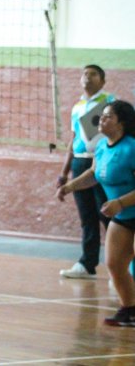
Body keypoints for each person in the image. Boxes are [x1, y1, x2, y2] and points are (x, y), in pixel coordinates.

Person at [57, 100, 135, 326]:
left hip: (124, 207)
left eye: (108, 116)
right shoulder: (102, 147)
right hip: (123, 217)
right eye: (102, 116)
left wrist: (119, 202)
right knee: (114, 264)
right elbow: (93, 173)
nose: (101, 119)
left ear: (122, 123)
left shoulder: (131, 148)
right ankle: (129, 310)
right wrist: (69, 186)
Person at [57, 65, 115, 278]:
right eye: (84, 74)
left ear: (103, 80)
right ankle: (87, 264)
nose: (87, 77)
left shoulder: (109, 101)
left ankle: (119, 266)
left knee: (108, 214)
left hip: (101, 162)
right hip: (80, 162)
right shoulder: (78, 107)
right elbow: (74, 139)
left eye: (93, 74)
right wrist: (64, 172)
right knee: (87, 217)